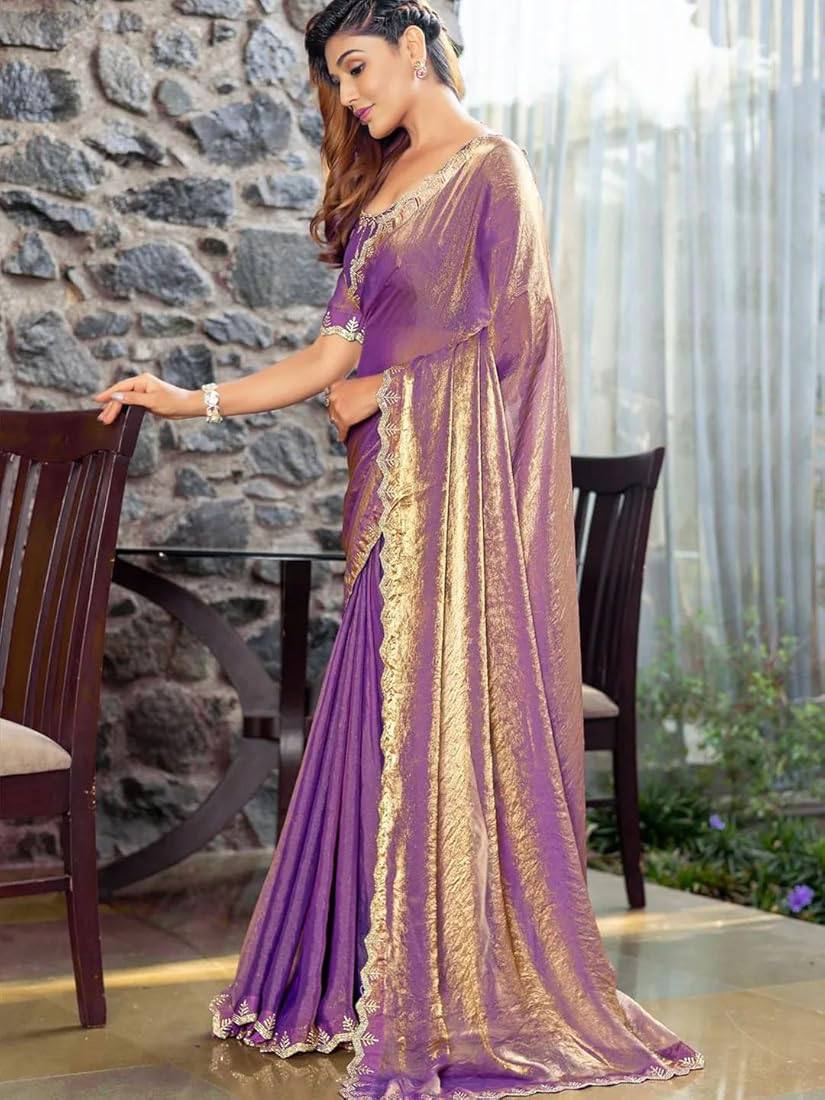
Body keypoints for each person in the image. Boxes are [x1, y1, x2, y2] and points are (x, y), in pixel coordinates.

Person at [93, 2, 705, 1096]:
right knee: (375, 724)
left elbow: (520, 341)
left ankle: (453, 985)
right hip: (389, 499)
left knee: (430, 727)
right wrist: (192, 399)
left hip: (454, 511)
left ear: (413, 50)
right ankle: (359, 978)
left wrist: (392, 389)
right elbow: (327, 358)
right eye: (336, 79)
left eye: (357, 68)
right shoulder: (380, 189)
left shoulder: (492, 169)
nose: (349, 95)